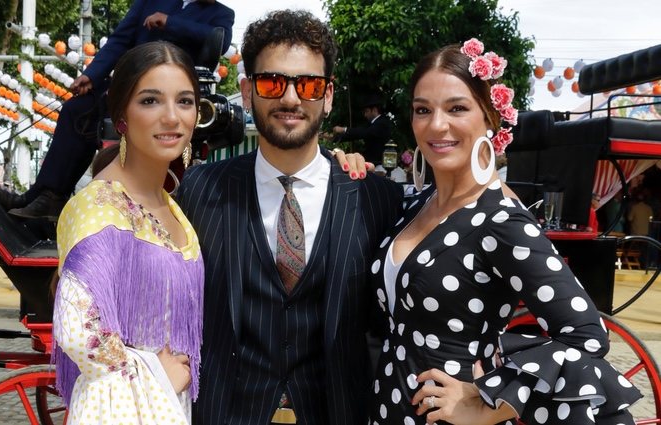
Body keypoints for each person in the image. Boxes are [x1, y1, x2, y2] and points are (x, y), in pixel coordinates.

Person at [366, 40, 640, 424]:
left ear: (490, 118)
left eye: (457, 108)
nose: (436, 124)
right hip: (388, 408)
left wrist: (488, 405)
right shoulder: (413, 205)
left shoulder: (499, 220)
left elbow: (585, 335)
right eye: (422, 110)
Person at [176, 10, 404, 425]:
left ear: (328, 95)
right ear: (247, 91)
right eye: (272, 82)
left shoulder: (377, 199)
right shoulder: (200, 190)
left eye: (310, 85)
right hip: (226, 412)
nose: (291, 98)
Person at [51, 41, 205, 424]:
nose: (172, 117)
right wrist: (154, 371)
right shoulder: (97, 206)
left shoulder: (170, 204)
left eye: (184, 102)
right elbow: (77, 331)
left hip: (168, 404)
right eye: (151, 101)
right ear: (121, 117)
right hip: (123, 406)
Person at [0, 0, 235, 220]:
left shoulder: (222, 14)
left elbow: (219, 40)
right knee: (77, 110)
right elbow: (120, 40)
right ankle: (47, 195)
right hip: (127, 88)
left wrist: (170, 22)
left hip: (171, 99)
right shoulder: (149, 2)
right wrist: (91, 76)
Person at [332, 93, 393, 165]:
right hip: (372, 162)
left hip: (380, 164)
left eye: (366, 111)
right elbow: (356, 133)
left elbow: (363, 132)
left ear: (374, 110)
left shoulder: (382, 123)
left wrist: (343, 129)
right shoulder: (371, 124)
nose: (365, 115)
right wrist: (334, 137)